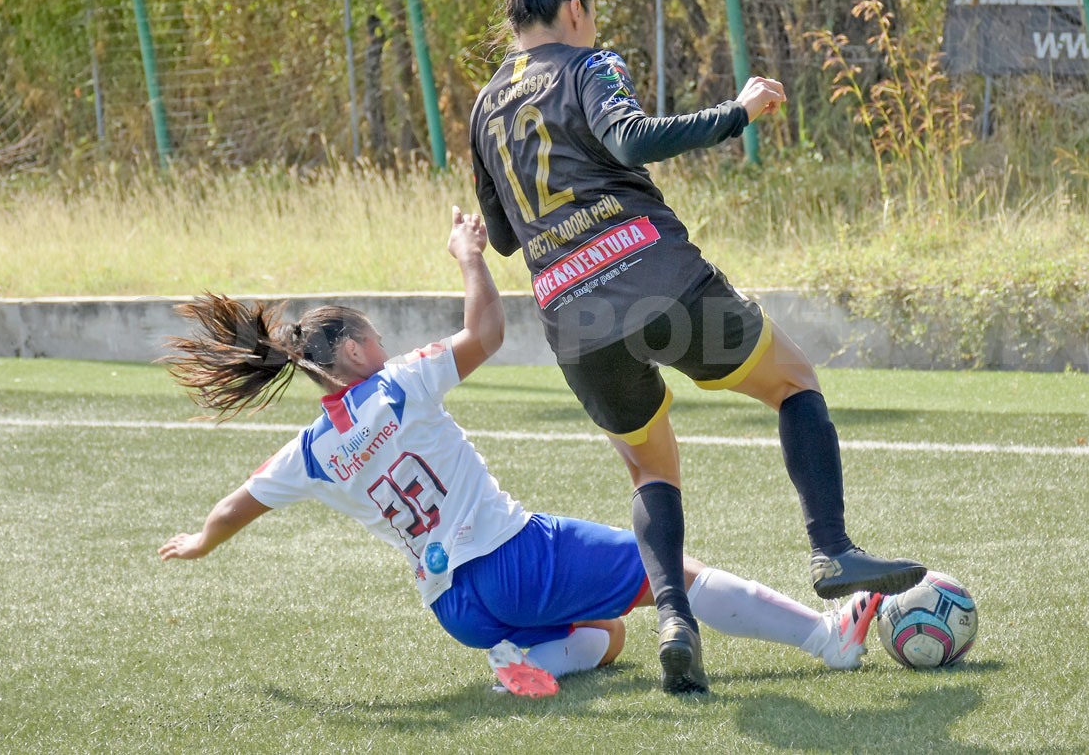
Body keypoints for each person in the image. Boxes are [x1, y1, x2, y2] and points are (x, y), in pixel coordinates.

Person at [158, 207, 886, 698]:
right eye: (372, 335)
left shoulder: (311, 450)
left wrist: (199, 542)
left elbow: (234, 507)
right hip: (512, 556)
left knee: (606, 636)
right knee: (669, 573)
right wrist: (469, 257)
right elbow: (485, 333)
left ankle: (526, 659)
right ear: (351, 350)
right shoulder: (399, 385)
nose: (381, 343)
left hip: (454, 607)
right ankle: (829, 640)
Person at [469, 0, 926, 693]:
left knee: (651, 467)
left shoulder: (485, 106)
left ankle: (676, 622)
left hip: (573, 318)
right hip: (658, 282)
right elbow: (628, 137)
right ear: (574, 11)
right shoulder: (589, 66)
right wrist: (736, 113)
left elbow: (505, 236)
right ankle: (832, 549)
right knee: (793, 380)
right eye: (591, 17)